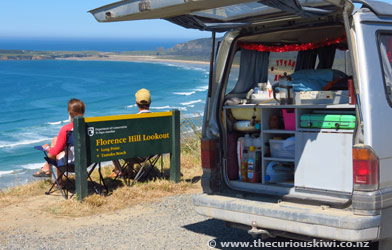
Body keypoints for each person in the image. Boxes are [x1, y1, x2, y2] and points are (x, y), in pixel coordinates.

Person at [33, 98, 85, 178]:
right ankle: (47, 168)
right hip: (87, 161)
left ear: (70, 114)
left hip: (72, 163)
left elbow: (55, 151)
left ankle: (56, 179)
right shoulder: (90, 125)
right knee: (55, 139)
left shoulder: (66, 129)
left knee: (57, 154)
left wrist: (46, 148)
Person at [110, 88, 151, 177]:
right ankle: (130, 169)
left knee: (112, 144)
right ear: (150, 102)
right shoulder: (158, 119)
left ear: (136, 102)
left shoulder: (132, 120)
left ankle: (118, 170)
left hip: (135, 156)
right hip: (151, 154)